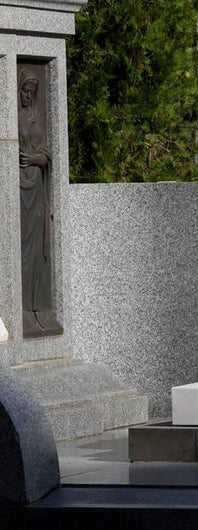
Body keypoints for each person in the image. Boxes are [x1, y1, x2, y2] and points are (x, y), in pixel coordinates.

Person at [18, 67, 58, 336]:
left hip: (37, 188)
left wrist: (34, 159)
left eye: (32, 92)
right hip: (20, 191)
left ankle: (39, 307)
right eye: (24, 90)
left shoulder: (37, 119)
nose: (28, 95)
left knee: (36, 253)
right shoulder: (13, 117)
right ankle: (22, 309)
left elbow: (46, 155)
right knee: (22, 250)